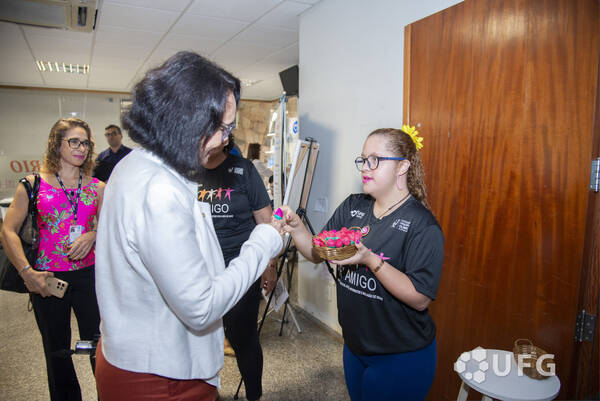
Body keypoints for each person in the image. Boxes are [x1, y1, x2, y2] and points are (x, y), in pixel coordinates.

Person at [93, 51, 284, 401]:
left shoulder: (134, 165)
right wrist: (264, 241)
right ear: (189, 121)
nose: (226, 139)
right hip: (162, 378)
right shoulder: (159, 189)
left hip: (136, 356)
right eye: (224, 128)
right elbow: (201, 307)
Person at [280, 127, 444, 401]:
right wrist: (297, 228)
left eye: (375, 160)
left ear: (402, 167)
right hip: (355, 348)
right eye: (363, 160)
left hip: (401, 357)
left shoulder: (422, 225)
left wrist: (370, 260)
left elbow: (419, 298)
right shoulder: (352, 206)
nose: (365, 167)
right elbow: (317, 252)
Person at [1, 117, 104, 401]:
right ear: (56, 144)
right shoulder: (32, 185)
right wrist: (27, 272)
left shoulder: (97, 187)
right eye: (74, 141)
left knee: (100, 347)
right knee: (56, 350)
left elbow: (114, 228)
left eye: (85, 143)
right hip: (46, 279)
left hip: (89, 276)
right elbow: (7, 231)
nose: (81, 148)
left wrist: (94, 233)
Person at [198, 133, 278, 401]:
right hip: (198, 269)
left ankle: (254, 394)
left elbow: (266, 221)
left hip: (241, 266)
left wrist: (269, 265)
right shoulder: (186, 170)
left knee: (242, 336)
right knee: (199, 339)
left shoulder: (243, 170)